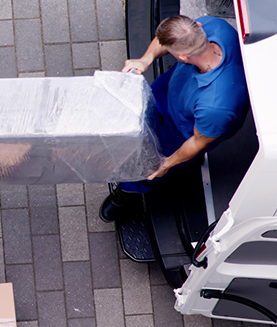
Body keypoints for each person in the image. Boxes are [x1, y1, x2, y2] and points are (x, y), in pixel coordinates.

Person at [100, 15, 249, 222]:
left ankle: (129, 191)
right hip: (169, 92)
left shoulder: (217, 105)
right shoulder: (214, 26)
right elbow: (165, 39)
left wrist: (167, 163)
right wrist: (146, 59)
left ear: (182, 58)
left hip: (180, 132)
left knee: (147, 166)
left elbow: (198, 141)